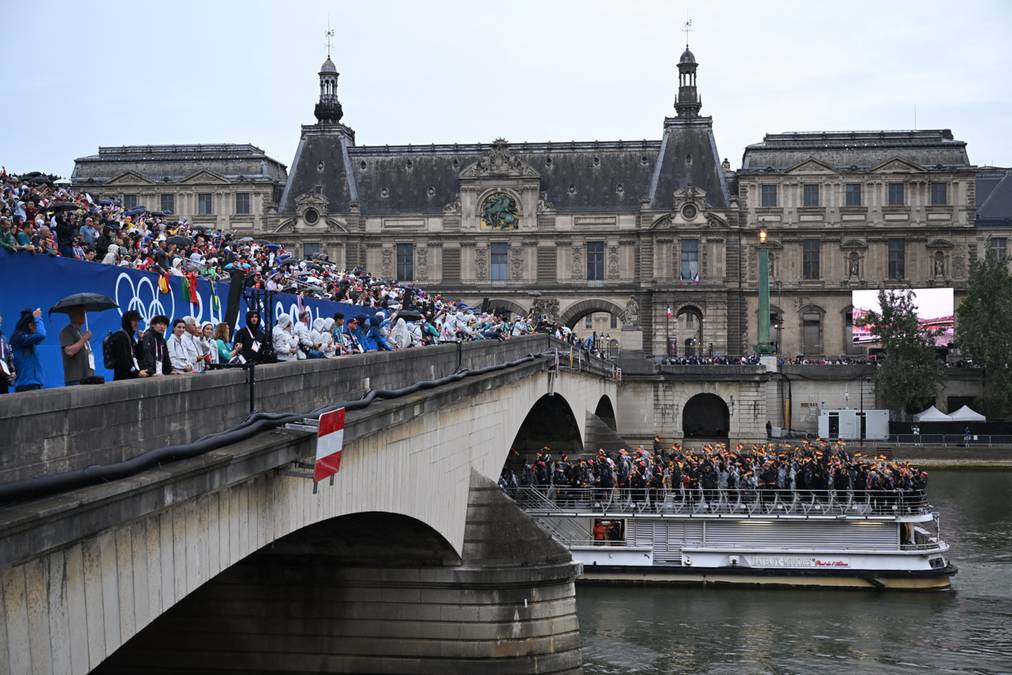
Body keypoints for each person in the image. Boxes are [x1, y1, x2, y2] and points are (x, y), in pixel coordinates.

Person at [11, 308, 46, 392]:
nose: (37, 327)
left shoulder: (26, 340)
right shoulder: (19, 337)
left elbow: (39, 337)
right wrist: (38, 318)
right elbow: (41, 334)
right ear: (30, 325)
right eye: (35, 324)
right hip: (27, 385)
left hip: (33, 384)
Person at [59, 307, 95, 386]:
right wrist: (84, 339)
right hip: (75, 379)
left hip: (86, 377)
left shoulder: (79, 332)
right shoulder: (67, 331)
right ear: (73, 315)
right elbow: (69, 351)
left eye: (84, 313)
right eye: (80, 313)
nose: (83, 316)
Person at [108, 310, 145, 380]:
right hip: (123, 379)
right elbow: (122, 361)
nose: (137, 323)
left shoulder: (130, 337)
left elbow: (139, 356)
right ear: (127, 322)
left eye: (138, 321)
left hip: (132, 377)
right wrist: (136, 372)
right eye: (134, 321)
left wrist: (140, 340)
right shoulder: (120, 336)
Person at [0, 313, 15, 394]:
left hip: (3, 378)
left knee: (4, 402)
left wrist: (12, 370)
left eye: (0, 322)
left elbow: (9, 356)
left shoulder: (5, 339)